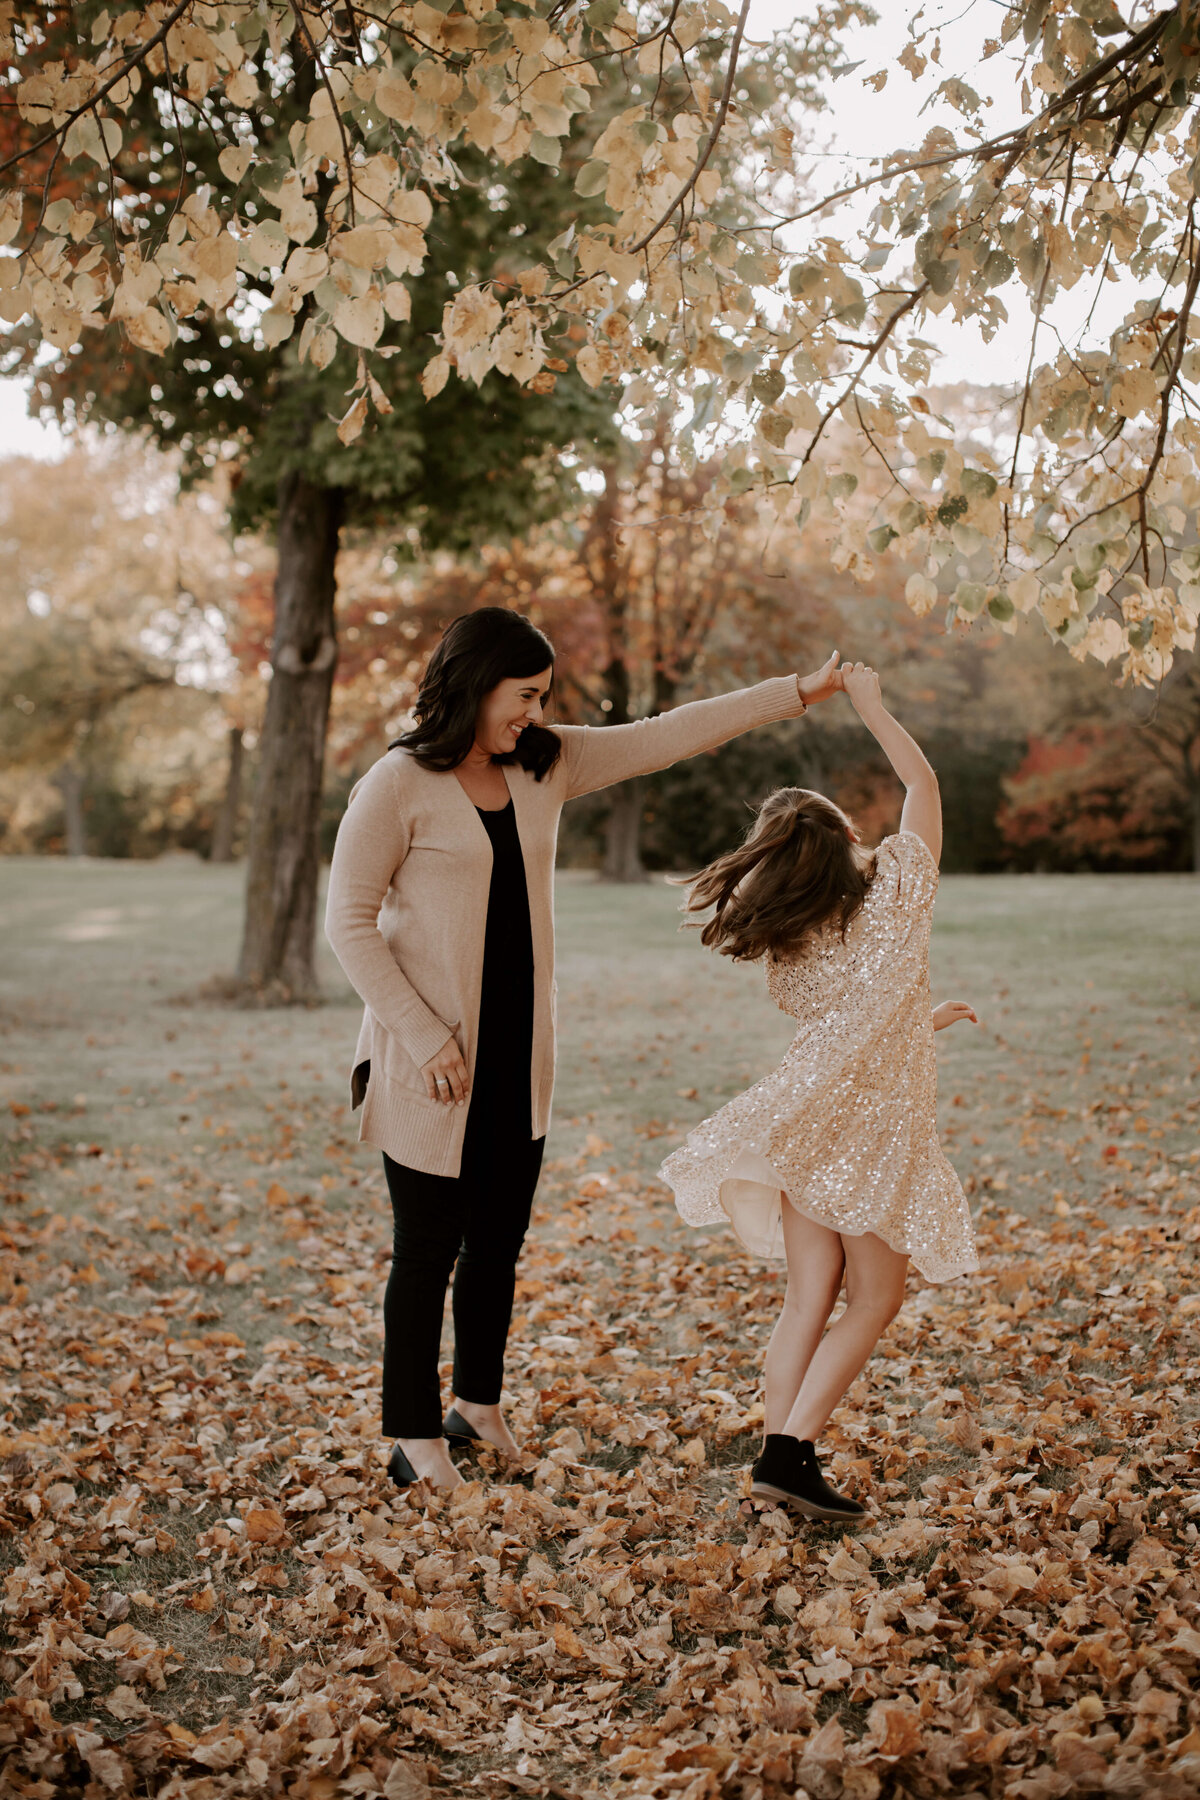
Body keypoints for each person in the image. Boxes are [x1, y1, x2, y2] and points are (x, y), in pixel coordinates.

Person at [325, 606, 845, 1492]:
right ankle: (414, 1437)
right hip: (430, 1067)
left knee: (497, 1244)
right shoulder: (397, 783)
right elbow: (348, 925)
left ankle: (477, 1408)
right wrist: (423, 1036)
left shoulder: (545, 762)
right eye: (521, 695)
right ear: (474, 683)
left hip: (518, 1062)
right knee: (425, 1251)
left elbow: (666, 736)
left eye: (542, 697)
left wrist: (795, 694)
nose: (532, 711)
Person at [659, 662, 979, 1522]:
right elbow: (921, 780)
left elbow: (852, 1024)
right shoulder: (900, 897)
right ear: (842, 839)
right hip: (874, 1140)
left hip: (810, 1129)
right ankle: (792, 1453)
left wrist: (928, 1018)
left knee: (809, 1298)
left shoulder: (793, 948)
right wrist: (870, 704)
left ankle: (777, 1452)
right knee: (875, 1298)